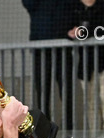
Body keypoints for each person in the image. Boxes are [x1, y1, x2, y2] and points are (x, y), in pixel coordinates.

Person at [23, 0, 80, 131]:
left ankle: (69, 129)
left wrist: (74, 29)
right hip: (41, 48)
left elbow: (75, 8)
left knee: (67, 90)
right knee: (43, 92)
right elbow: (29, 4)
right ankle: (44, 130)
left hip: (64, 46)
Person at [70, 0, 104, 134]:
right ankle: (94, 135)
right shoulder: (74, 8)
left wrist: (83, 32)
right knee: (90, 100)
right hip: (85, 63)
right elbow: (66, 29)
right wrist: (71, 33)